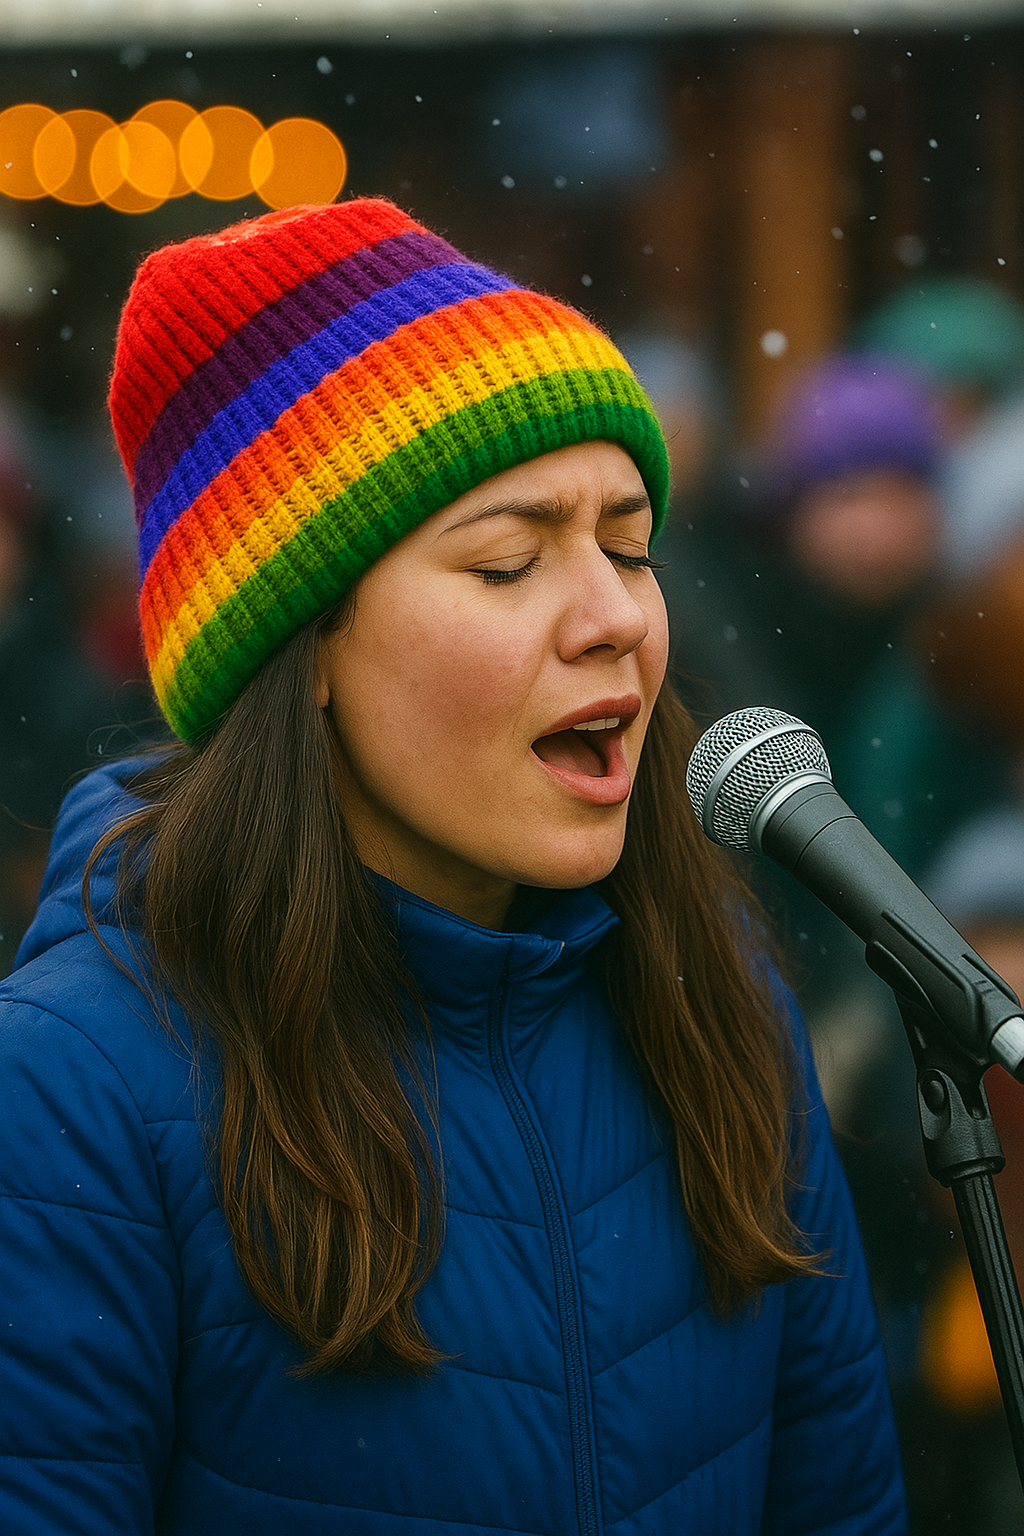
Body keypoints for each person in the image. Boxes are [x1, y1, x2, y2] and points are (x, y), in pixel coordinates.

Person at [0, 199, 906, 1535]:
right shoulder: (68, 1092)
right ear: (299, 653)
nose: (614, 618)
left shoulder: (717, 996)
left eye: (630, 543)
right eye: (506, 560)